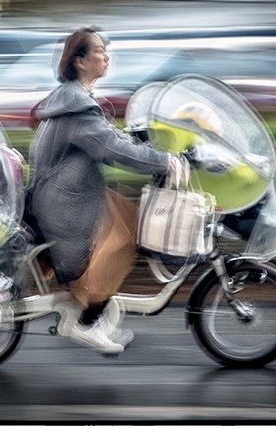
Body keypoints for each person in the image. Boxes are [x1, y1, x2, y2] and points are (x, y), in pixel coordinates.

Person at [28, 26, 183, 354]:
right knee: (123, 241)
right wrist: (164, 162)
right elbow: (109, 147)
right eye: (98, 50)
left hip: (69, 192)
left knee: (131, 217)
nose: (106, 55)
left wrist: (148, 146)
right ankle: (87, 320)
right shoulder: (77, 107)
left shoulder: (76, 98)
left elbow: (109, 138)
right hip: (64, 202)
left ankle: (92, 308)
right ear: (81, 61)